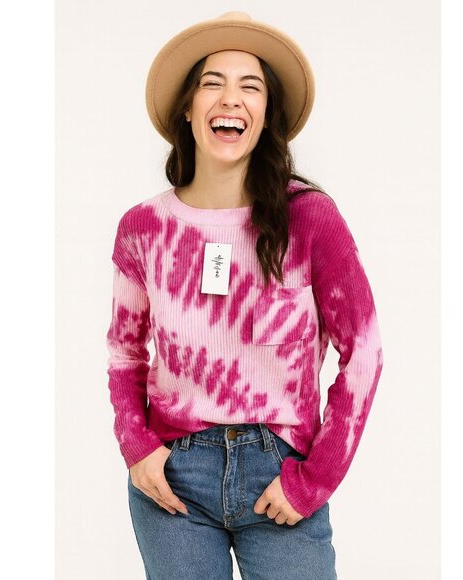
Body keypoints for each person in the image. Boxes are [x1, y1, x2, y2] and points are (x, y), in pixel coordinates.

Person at [106, 11, 384, 580]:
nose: (230, 97)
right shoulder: (143, 227)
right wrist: (136, 445)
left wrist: (315, 479)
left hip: (280, 476)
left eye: (249, 86)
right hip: (173, 482)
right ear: (188, 108)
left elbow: (365, 352)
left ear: (265, 113)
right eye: (213, 82)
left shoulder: (310, 218)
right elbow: (125, 353)